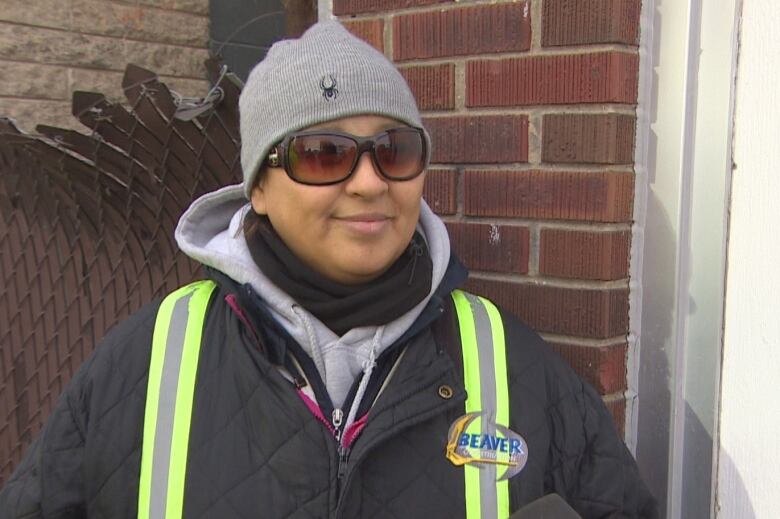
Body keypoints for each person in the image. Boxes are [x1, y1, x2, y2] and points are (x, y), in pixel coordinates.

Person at [0, 21, 657, 518]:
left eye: (394, 150)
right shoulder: (142, 365)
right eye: (323, 153)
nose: (370, 183)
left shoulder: (515, 368)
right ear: (258, 185)